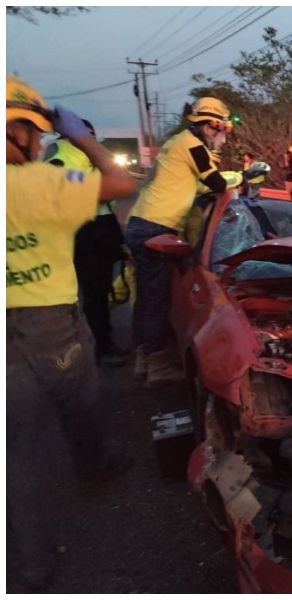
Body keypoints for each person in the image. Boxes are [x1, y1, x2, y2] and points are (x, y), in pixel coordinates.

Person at [6, 75, 137, 589]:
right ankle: (96, 466)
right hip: (48, 324)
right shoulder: (37, 183)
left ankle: (30, 563)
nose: (40, 145)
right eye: (35, 134)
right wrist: (82, 138)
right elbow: (121, 184)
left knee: (15, 446)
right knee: (79, 401)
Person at [126, 97, 230, 387]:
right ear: (208, 126)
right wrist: (235, 184)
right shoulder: (191, 145)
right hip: (153, 227)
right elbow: (215, 182)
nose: (222, 134)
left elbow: (198, 185)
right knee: (155, 298)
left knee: (148, 296)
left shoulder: (180, 144)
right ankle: (156, 366)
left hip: (143, 223)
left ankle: (143, 359)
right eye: (221, 127)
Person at [45, 119, 129, 367]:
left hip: (101, 227)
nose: (90, 142)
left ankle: (103, 341)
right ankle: (100, 349)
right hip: (85, 230)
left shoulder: (81, 154)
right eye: (86, 137)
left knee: (101, 290)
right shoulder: (60, 156)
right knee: (93, 293)